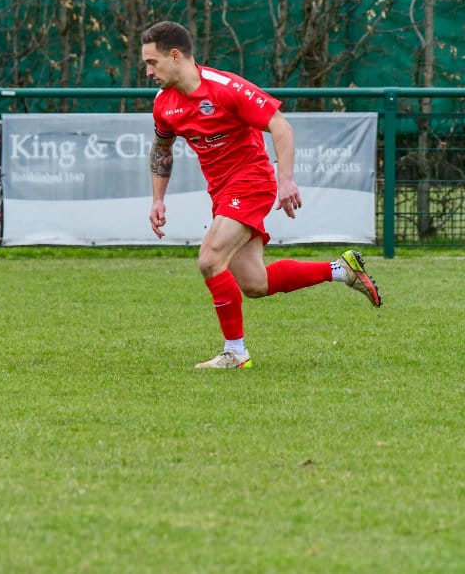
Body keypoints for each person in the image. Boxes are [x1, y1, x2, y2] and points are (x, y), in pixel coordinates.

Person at [140, 20, 382, 369]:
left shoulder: (225, 88)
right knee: (255, 283)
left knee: (209, 258)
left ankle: (235, 352)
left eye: (153, 62)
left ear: (175, 55)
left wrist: (286, 180)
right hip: (222, 192)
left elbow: (280, 125)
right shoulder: (164, 103)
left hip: (251, 182)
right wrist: (158, 199)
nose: (149, 72)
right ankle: (342, 270)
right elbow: (162, 148)